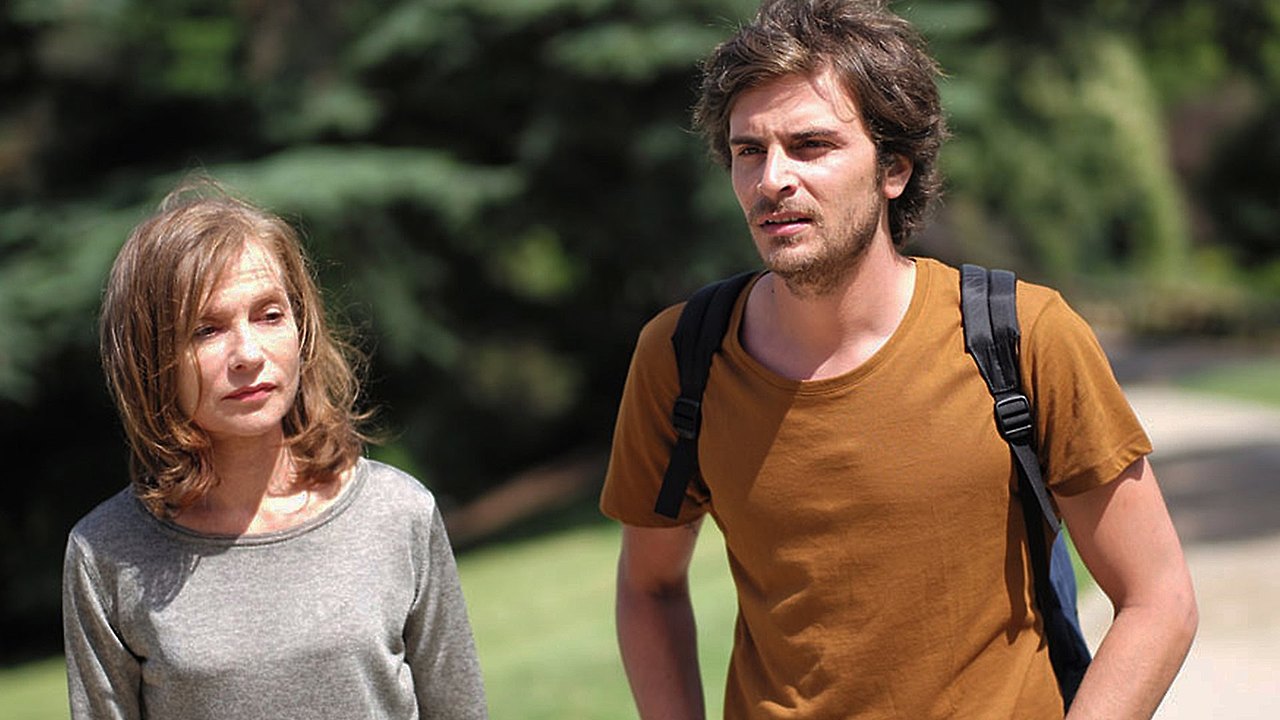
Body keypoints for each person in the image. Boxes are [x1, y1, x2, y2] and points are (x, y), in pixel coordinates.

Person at [600, 1, 1197, 718]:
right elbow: (649, 586)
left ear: (894, 169)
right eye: (749, 151)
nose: (771, 179)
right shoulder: (682, 355)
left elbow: (1157, 599)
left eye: (811, 145)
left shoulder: (1020, 336)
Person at [62, 179, 488, 719]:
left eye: (269, 315)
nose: (248, 353)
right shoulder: (105, 553)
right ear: (150, 359)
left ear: (301, 329)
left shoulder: (398, 513)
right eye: (206, 329)